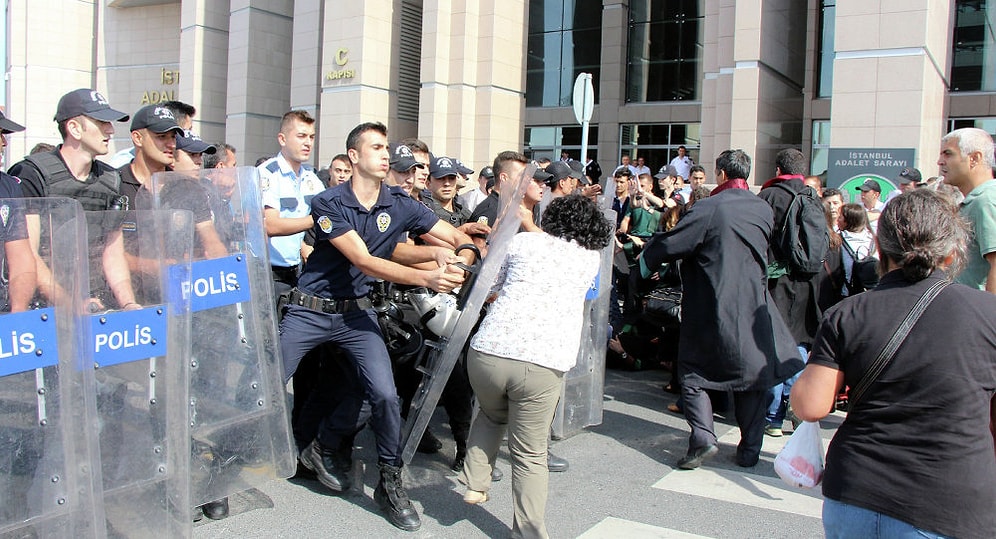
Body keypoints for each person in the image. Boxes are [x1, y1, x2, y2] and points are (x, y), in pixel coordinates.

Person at [282, 122, 474, 532]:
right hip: (310, 311)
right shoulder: (327, 201)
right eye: (376, 147)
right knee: (264, 385)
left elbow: (452, 235)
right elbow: (364, 260)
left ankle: (389, 481)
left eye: (387, 147)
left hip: (356, 314)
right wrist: (429, 275)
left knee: (386, 395)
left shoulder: (399, 203)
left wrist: (461, 256)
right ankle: (222, 469)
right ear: (353, 156)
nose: (386, 155)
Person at [791, 189, 996, 539]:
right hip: (951, 496)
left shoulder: (848, 313)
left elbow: (809, 405)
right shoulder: (988, 314)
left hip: (856, 489)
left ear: (880, 247)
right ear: (951, 253)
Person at [640, 149, 802, 469]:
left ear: (722, 175)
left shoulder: (710, 207)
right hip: (756, 305)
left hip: (714, 306)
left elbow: (672, 243)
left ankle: (703, 438)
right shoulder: (762, 208)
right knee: (750, 379)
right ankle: (750, 448)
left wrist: (644, 265)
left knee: (693, 373)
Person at [461, 194, 611, 539]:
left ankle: (475, 482)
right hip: (542, 362)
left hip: (488, 352)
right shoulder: (589, 260)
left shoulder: (522, 243)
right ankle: (528, 531)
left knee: (490, 413)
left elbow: (489, 287)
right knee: (529, 453)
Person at [8, 88, 139, 310]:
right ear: (74, 128)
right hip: (44, 309)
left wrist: (128, 303)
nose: (111, 130)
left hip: (93, 303)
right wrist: (72, 305)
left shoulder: (112, 179)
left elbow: (112, 252)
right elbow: (28, 254)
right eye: (101, 122)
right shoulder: (33, 174)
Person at [758, 148, 825, 437]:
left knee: (773, 345)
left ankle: (772, 416)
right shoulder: (812, 198)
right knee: (798, 346)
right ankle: (797, 408)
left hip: (776, 282)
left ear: (777, 170)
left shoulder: (769, 197)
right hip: (808, 282)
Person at [258, 110, 324, 297]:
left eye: (311, 137)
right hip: (268, 274)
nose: (308, 143)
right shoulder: (268, 174)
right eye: (301, 136)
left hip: (295, 271)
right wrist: (316, 219)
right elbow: (270, 225)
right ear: (282, 139)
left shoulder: (310, 178)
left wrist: (303, 245)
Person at [938, 127, 996, 292]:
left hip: (978, 313)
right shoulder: (974, 201)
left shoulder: (987, 200)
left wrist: (989, 314)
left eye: (948, 154)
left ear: (974, 158)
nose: (940, 161)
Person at [0, 110, 36, 313]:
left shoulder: (8, 187)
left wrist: (18, 314)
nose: (4, 143)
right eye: (0, 133)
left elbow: (21, 258)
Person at [107, 100, 196, 167]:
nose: (172, 144)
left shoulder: (177, 175)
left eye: (173, 136)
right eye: (162, 136)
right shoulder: (122, 165)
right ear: (137, 138)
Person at [837, 203, 875, 298]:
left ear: (848, 221)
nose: (837, 219)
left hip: (847, 294)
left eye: (840, 217)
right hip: (872, 294)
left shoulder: (839, 241)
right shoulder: (874, 240)